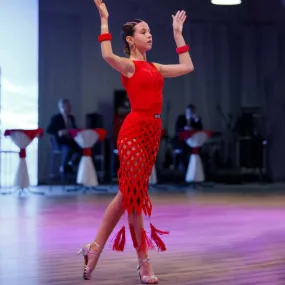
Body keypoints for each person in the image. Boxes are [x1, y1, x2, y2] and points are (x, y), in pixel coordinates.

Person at [77, 0, 194, 283]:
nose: (150, 34)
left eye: (150, 31)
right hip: (132, 133)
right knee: (134, 198)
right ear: (131, 40)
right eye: (144, 31)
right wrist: (104, 19)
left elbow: (187, 66)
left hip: (152, 133)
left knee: (127, 197)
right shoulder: (129, 66)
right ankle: (143, 263)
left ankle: (93, 249)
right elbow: (107, 54)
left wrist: (178, 34)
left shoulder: (154, 67)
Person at [46, 98, 81, 174]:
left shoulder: (72, 118)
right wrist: (59, 132)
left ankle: (71, 163)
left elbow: (75, 129)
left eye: (70, 106)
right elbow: (49, 130)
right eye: (67, 106)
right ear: (62, 107)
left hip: (71, 140)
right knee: (68, 149)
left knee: (83, 149)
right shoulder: (56, 118)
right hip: (61, 142)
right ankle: (64, 168)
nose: (69, 108)